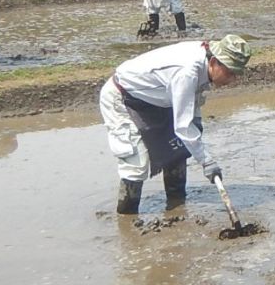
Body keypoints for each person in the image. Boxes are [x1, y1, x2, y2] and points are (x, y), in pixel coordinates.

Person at [100, 34, 252, 215]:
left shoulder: (204, 60)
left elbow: (192, 103)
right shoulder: (187, 72)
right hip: (123, 96)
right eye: (229, 73)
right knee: (136, 164)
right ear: (213, 62)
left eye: (236, 74)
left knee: (178, 150)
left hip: (159, 98)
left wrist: (195, 128)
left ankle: (176, 209)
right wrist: (206, 161)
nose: (232, 80)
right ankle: (127, 219)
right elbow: (183, 126)